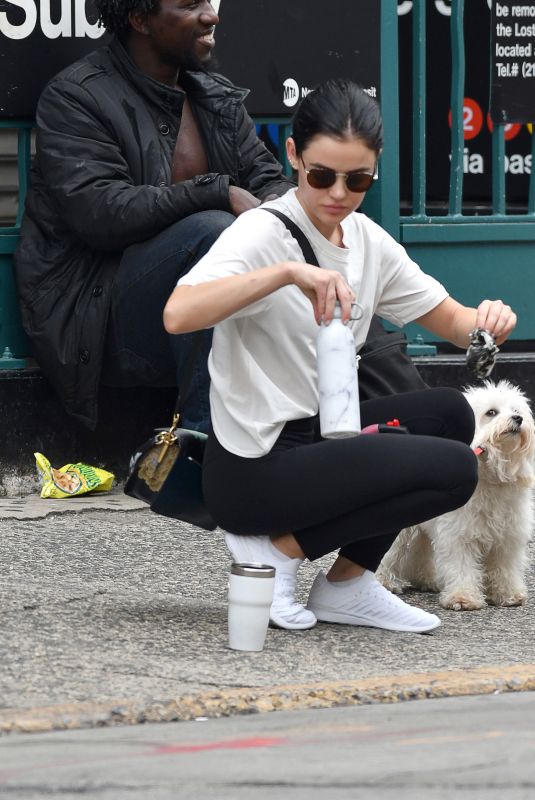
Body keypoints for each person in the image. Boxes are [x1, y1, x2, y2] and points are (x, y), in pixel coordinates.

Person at [163, 78, 517, 633]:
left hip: (322, 439)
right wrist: (284, 273)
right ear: (293, 156)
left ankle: (348, 585)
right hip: (254, 468)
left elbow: (452, 322)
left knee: (452, 416)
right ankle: (274, 554)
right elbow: (178, 314)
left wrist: (488, 318)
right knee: (454, 471)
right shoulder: (262, 233)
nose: (338, 193)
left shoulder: (368, 241)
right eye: (321, 174)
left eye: (358, 179)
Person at [14, 0, 292, 431]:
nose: (211, 15)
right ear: (141, 19)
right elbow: (102, 214)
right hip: (99, 316)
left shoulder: (213, 95)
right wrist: (217, 193)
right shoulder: (77, 96)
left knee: (313, 235)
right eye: (188, 5)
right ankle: (205, 451)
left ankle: (376, 419)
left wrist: (293, 217)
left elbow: (267, 179)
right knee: (212, 232)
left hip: (197, 307)